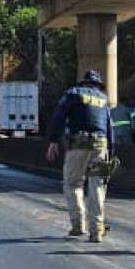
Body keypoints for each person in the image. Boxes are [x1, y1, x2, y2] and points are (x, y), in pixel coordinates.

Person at [45, 70, 116, 242]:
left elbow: (59, 116)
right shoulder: (103, 99)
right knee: (97, 186)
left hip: (78, 145)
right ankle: (96, 230)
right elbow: (109, 126)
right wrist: (111, 151)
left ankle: (78, 226)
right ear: (98, 85)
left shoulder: (73, 94)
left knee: (73, 183)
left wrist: (53, 139)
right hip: (101, 146)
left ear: (83, 83)